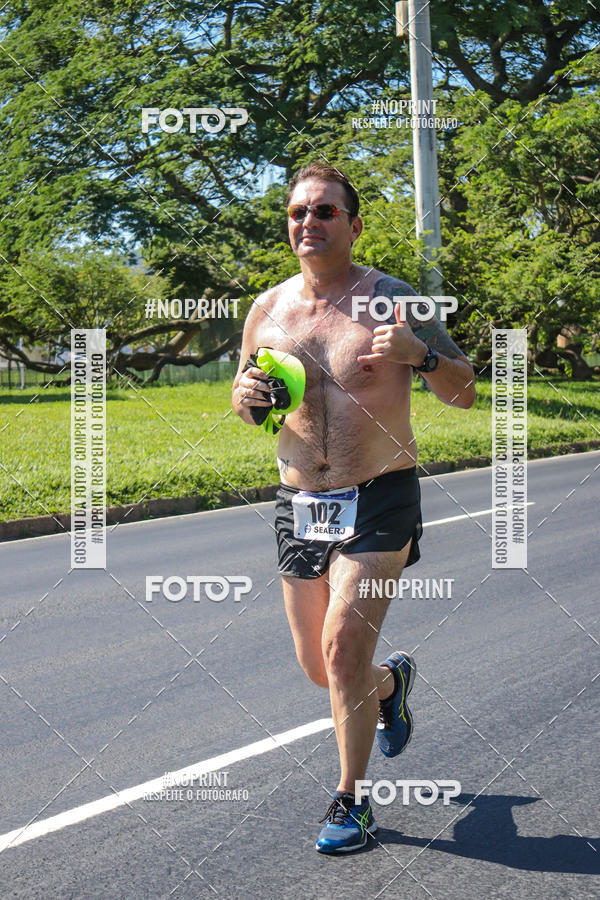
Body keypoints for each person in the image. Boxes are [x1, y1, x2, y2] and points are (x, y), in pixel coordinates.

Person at [232, 161, 475, 853]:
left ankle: (351, 801)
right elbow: (244, 397)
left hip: (380, 495)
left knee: (341, 648)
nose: (308, 222)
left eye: (324, 211)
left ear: (354, 225)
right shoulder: (267, 311)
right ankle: (390, 686)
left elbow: (464, 392)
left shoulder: (394, 299)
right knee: (319, 667)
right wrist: (246, 402)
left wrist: (419, 353)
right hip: (300, 501)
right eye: (297, 213)